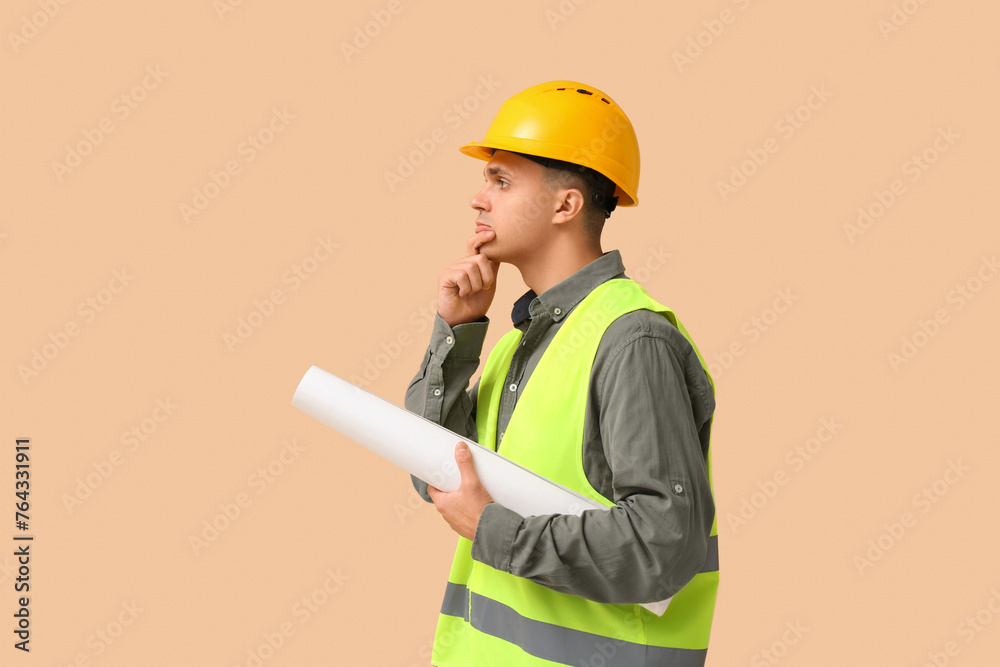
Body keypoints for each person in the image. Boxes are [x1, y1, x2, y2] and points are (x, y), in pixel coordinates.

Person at [404, 80, 718, 667]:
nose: (478, 199)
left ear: (565, 205)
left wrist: (492, 530)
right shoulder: (518, 341)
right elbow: (435, 481)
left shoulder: (631, 341)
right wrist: (459, 331)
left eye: (501, 180)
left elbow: (662, 551)